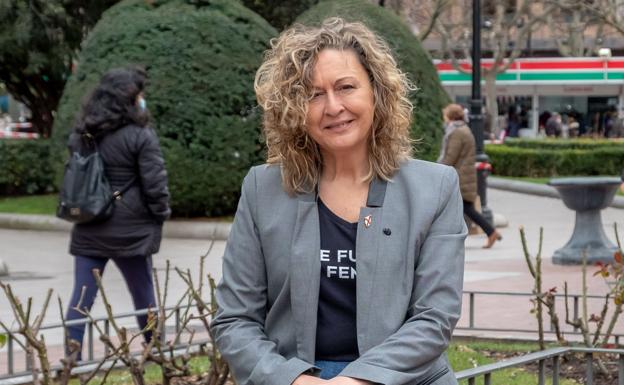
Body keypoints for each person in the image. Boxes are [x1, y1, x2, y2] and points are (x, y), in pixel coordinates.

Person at [211, 18, 465, 385]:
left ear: (377, 93)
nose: (333, 106)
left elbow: (434, 318)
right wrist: (293, 380)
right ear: (294, 109)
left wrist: (355, 381)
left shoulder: (435, 188)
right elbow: (235, 320)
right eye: (313, 94)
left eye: (346, 87)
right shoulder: (261, 189)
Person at [64, 67, 170, 359]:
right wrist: (160, 214)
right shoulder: (140, 136)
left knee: (81, 297)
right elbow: (155, 183)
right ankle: (155, 349)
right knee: (143, 294)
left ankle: (71, 357)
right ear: (129, 99)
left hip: (89, 224)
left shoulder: (82, 135)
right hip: (131, 230)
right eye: (139, 96)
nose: (142, 100)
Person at [438, 104, 502, 249]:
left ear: (451, 116)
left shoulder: (457, 132)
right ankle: (490, 232)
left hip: (460, 178)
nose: (444, 118)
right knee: (466, 209)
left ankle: (491, 232)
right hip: (464, 176)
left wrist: (438, 169)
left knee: (465, 208)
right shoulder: (462, 130)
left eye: (445, 115)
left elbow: (450, 157)